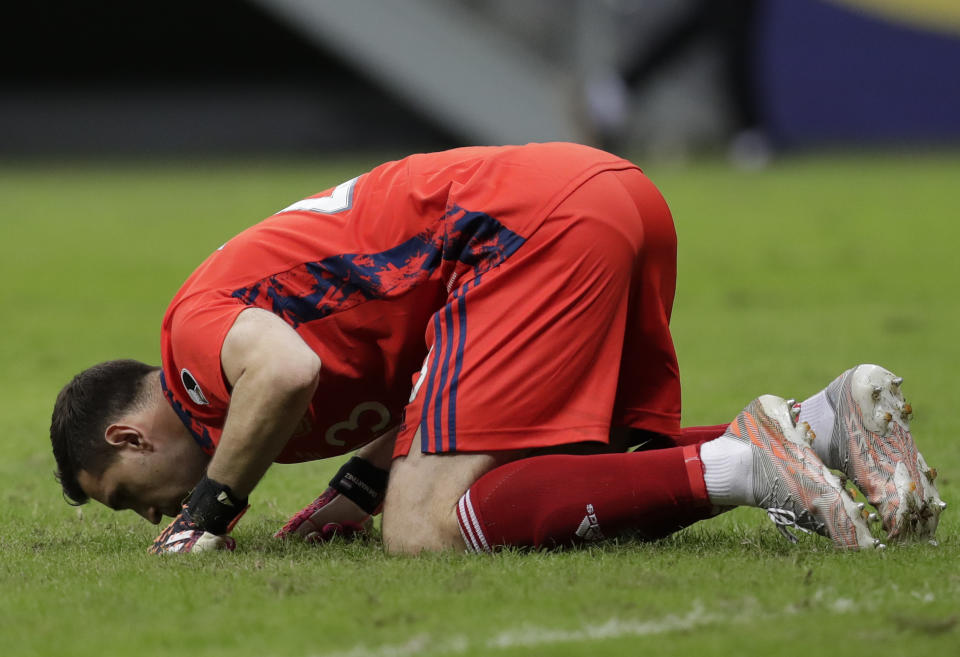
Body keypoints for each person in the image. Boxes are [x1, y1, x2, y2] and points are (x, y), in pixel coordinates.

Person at [48, 143, 945, 554]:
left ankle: (751, 466)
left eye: (133, 501)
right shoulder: (247, 402)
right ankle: (830, 421)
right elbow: (414, 376)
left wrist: (207, 512)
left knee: (427, 528)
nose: (149, 514)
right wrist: (359, 487)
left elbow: (287, 369)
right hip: (600, 193)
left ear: (129, 438)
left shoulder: (192, 340)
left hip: (519, 227)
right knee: (586, 470)